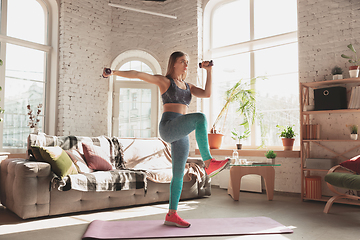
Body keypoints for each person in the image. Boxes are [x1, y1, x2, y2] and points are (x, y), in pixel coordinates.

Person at [103, 51, 230, 228]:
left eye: (187, 62)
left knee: (178, 174)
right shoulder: (165, 82)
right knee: (200, 118)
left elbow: (207, 94)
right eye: (182, 61)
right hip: (169, 126)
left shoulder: (188, 86)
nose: (186, 65)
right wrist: (114, 72)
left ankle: (172, 214)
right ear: (173, 64)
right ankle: (208, 162)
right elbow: (139, 75)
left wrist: (209, 71)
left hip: (181, 133)